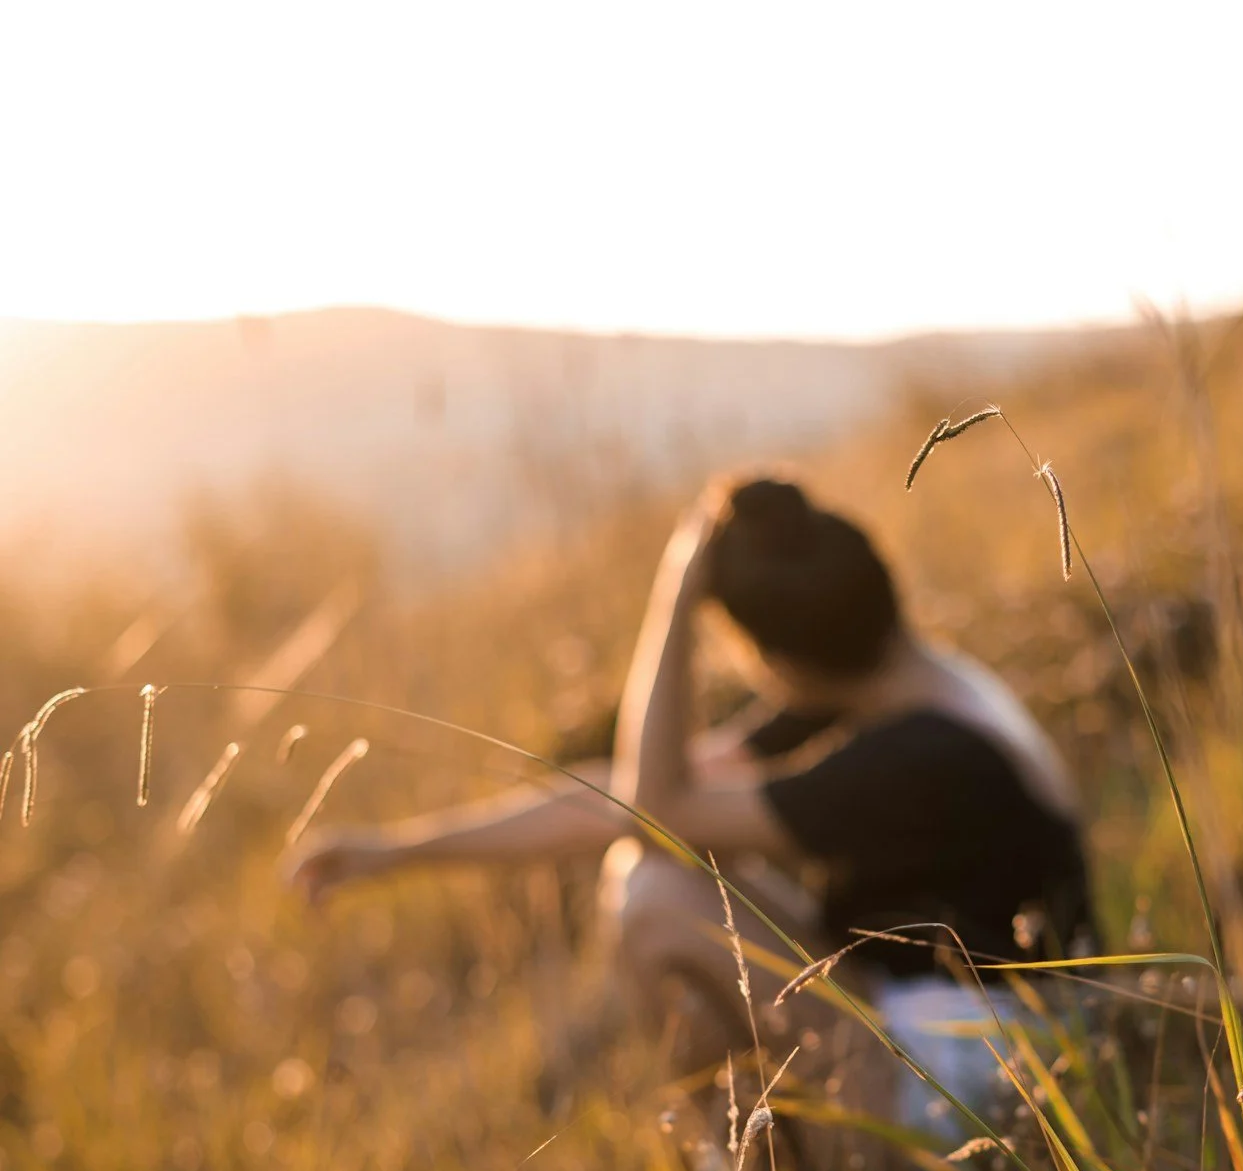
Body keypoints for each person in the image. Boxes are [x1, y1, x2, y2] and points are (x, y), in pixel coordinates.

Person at [289, 479, 1096, 1137]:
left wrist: (674, 597)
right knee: (654, 870)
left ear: (776, 659)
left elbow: (654, 810)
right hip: (947, 1024)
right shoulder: (910, 688)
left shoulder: (921, 756)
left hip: (991, 1076)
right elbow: (615, 800)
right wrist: (396, 852)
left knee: (655, 895)